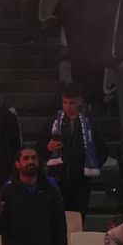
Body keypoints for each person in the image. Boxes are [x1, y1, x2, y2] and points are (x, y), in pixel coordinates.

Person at [0, 146, 70, 245]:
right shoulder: (7, 192)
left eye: (33, 157)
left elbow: (59, 226)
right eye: (25, 158)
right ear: (17, 164)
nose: (30, 161)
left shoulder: (51, 191)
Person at [45, 84, 105, 216]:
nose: (67, 106)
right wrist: (48, 148)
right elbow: (40, 148)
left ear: (79, 101)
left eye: (71, 102)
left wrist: (91, 164)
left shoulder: (91, 122)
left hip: (81, 180)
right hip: (58, 178)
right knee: (58, 216)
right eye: (64, 102)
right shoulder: (54, 121)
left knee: (78, 217)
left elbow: (102, 150)